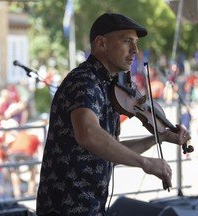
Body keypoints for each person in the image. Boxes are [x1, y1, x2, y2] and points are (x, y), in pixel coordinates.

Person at [36, 13, 191, 216]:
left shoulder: (109, 87)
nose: (135, 50)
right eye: (127, 41)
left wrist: (158, 137)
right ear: (102, 43)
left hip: (91, 208)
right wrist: (146, 163)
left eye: (135, 43)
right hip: (66, 208)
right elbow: (88, 134)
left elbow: (110, 151)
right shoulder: (84, 81)